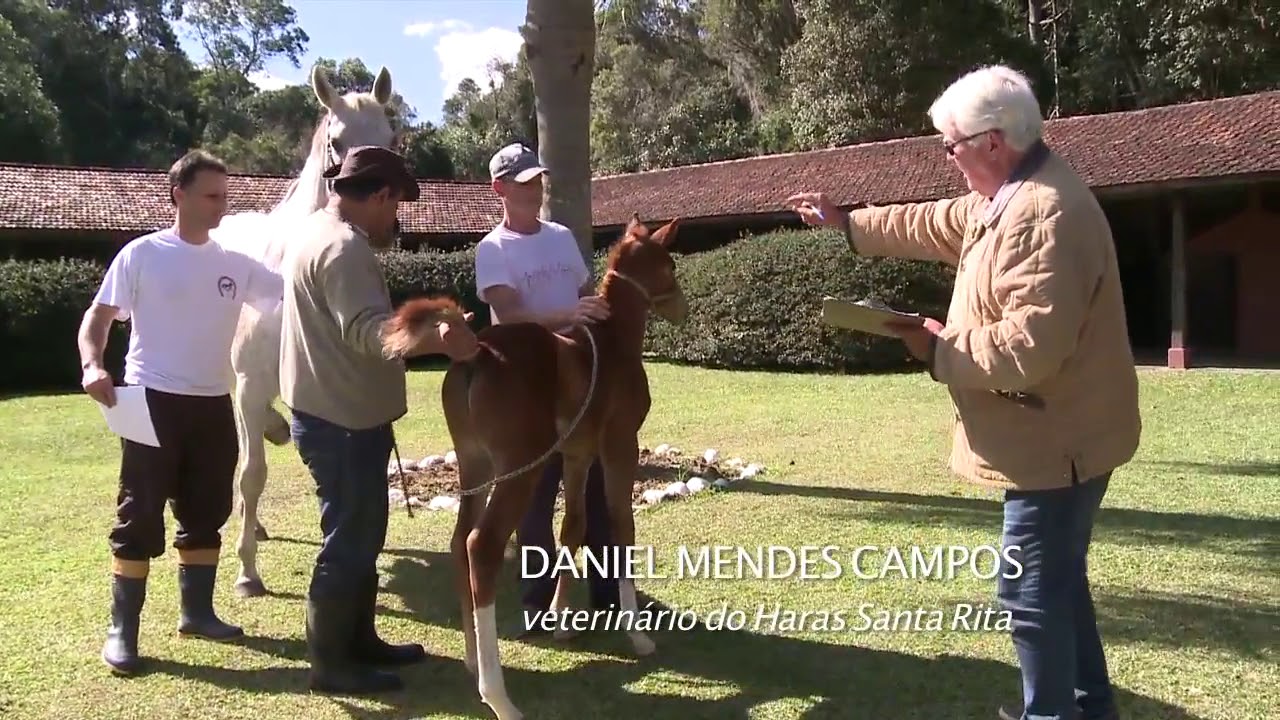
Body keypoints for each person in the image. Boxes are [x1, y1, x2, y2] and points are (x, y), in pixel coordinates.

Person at [786, 65, 1140, 720]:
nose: (948, 160)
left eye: (951, 146)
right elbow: (930, 222)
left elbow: (1028, 349)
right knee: (1058, 584)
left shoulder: (1041, 214)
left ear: (992, 142)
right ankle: (1089, 710)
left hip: (1057, 444)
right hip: (1058, 438)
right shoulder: (1003, 198)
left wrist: (937, 348)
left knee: (1030, 592)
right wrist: (848, 223)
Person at [278, 145, 480, 694]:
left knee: (362, 534)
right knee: (349, 538)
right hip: (341, 421)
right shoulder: (343, 249)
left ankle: (357, 641)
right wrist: (439, 338)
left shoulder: (317, 233)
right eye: (396, 206)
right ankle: (330, 664)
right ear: (382, 195)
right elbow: (368, 334)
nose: (397, 219)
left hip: (333, 413)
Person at [77, 149, 285, 675]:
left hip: (213, 403)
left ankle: (198, 612)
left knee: (206, 508)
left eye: (225, 195)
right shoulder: (142, 254)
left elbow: (296, 295)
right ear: (180, 196)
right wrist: (91, 365)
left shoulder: (235, 266)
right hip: (151, 401)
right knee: (139, 513)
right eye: (212, 196)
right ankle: (122, 630)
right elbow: (98, 317)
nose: (223, 206)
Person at [473, 142, 620, 632]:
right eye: (524, 183)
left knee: (595, 489)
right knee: (532, 501)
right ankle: (538, 605)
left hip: (580, 380)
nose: (535, 190)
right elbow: (510, 314)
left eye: (538, 181)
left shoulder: (560, 237)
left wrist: (593, 316)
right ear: (499, 189)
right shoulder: (491, 249)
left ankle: (609, 597)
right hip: (526, 387)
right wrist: (566, 316)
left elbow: (583, 294)